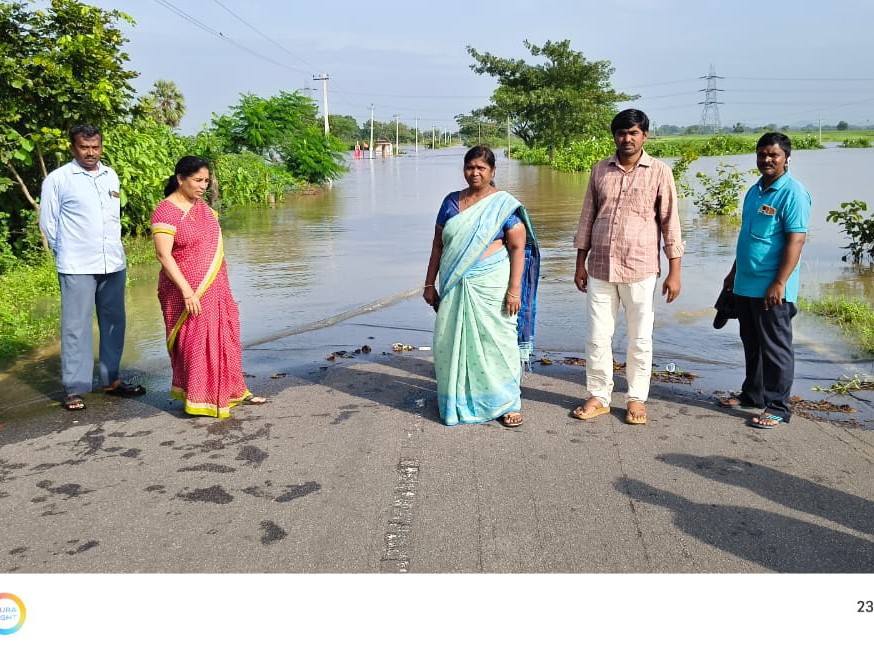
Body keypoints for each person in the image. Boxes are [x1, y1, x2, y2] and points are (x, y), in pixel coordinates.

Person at [572, 109, 685, 425]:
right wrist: (579, 264)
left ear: (645, 136)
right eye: (621, 133)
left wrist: (675, 271)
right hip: (599, 267)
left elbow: (669, 223)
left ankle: (636, 399)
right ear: (615, 136)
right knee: (597, 336)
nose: (627, 138)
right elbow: (586, 219)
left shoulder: (660, 172)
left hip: (640, 268)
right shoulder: (600, 170)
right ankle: (599, 396)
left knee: (639, 339)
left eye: (633, 132)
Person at [423, 145, 540, 427]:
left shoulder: (502, 205)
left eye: (481, 168)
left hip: (492, 285)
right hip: (454, 283)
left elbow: (517, 247)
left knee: (498, 342)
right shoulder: (451, 203)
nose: (474, 173)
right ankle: (458, 399)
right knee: (451, 341)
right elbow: (438, 246)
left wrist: (515, 290)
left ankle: (507, 403)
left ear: (492, 172)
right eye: (469, 167)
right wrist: (429, 283)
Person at [39, 124, 145, 411]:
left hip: (113, 262)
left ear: (101, 146)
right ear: (73, 148)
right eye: (84, 147)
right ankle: (75, 387)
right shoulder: (58, 179)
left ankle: (111, 380)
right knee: (76, 326)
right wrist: (67, 254)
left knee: (114, 322)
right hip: (77, 266)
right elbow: (48, 224)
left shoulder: (111, 175)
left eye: (95, 147)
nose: (90, 153)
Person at [150, 156, 265, 418]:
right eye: (197, 180)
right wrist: (187, 291)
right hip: (185, 289)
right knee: (195, 341)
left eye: (206, 181)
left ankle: (232, 391)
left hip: (215, 286)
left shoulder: (204, 210)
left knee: (225, 336)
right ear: (181, 179)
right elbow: (164, 256)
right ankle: (199, 396)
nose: (203, 186)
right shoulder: (165, 211)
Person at [719, 133, 810, 428]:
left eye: (773, 155)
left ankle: (778, 406)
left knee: (776, 347)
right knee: (752, 343)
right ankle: (752, 394)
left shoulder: (792, 193)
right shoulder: (754, 191)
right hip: (746, 283)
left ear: (786, 158)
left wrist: (779, 282)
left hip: (773, 288)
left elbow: (796, 241)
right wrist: (733, 274)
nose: (767, 160)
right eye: (762, 154)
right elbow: (747, 238)